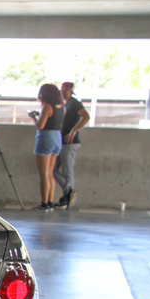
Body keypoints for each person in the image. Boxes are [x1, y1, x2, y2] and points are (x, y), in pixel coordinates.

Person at [28, 83, 65, 210]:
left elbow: (40, 126)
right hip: (57, 138)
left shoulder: (47, 106)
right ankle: (50, 202)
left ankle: (44, 203)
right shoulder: (61, 107)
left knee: (43, 174)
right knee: (50, 173)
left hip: (46, 138)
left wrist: (33, 117)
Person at [54, 81, 90, 209]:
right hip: (61, 141)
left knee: (67, 170)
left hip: (70, 142)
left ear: (69, 90)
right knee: (52, 169)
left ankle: (67, 196)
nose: (62, 91)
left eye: (64, 89)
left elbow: (86, 117)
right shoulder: (66, 104)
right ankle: (69, 191)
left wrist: (74, 130)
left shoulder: (75, 103)